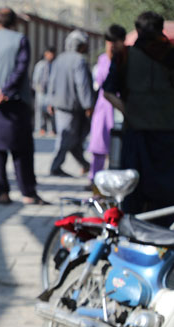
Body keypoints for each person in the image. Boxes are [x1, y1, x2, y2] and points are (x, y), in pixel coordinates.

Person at [103, 11, 174, 227]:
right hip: (168, 136)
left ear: (138, 30)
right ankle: (163, 236)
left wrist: (129, 112)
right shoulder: (171, 56)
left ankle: (133, 234)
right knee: (166, 191)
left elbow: (107, 92)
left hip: (136, 135)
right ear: (161, 29)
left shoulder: (124, 56)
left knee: (133, 189)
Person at [0, 8, 46, 205]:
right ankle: (28, 193)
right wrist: (3, 91)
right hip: (14, 103)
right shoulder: (21, 40)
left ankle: (2, 193)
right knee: (21, 151)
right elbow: (21, 69)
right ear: (14, 23)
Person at [46, 30, 95, 177]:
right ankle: (55, 166)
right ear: (80, 45)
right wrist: (88, 105)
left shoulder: (60, 59)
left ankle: (85, 165)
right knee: (66, 138)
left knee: (74, 140)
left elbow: (51, 82)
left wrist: (50, 101)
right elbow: (82, 85)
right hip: (72, 107)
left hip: (60, 105)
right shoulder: (79, 60)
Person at [86, 25, 126, 187]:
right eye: (109, 41)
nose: (112, 45)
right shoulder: (102, 60)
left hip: (121, 106)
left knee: (119, 149)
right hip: (104, 107)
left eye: (115, 41)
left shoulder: (127, 59)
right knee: (99, 146)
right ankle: (95, 180)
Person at [32, 47, 56, 136]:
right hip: (41, 92)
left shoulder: (53, 65)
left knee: (51, 110)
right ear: (46, 54)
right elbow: (35, 80)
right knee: (40, 111)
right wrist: (39, 89)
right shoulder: (40, 65)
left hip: (50, 93)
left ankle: (51, 129)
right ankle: (41, 128)